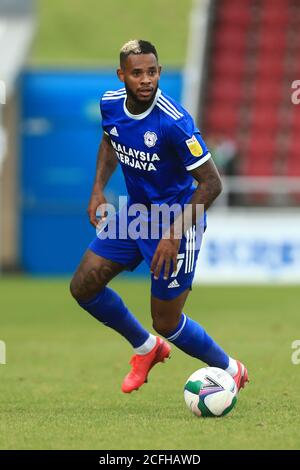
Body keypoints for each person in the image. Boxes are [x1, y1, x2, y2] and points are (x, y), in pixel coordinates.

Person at [70, 40, 249, 393]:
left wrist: (173, 235)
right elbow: (110, 140)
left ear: (159, 73)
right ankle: (146, 347)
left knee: (166, 321)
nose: (146, 80)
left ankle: (231, 368)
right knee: (84, 286)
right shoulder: (110, 104)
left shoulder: (174, 122)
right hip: (136, 214)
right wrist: (97, 189)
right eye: (137, 73)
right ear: (122, 75)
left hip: (176, 219)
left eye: (152, 72)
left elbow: (212, 184)